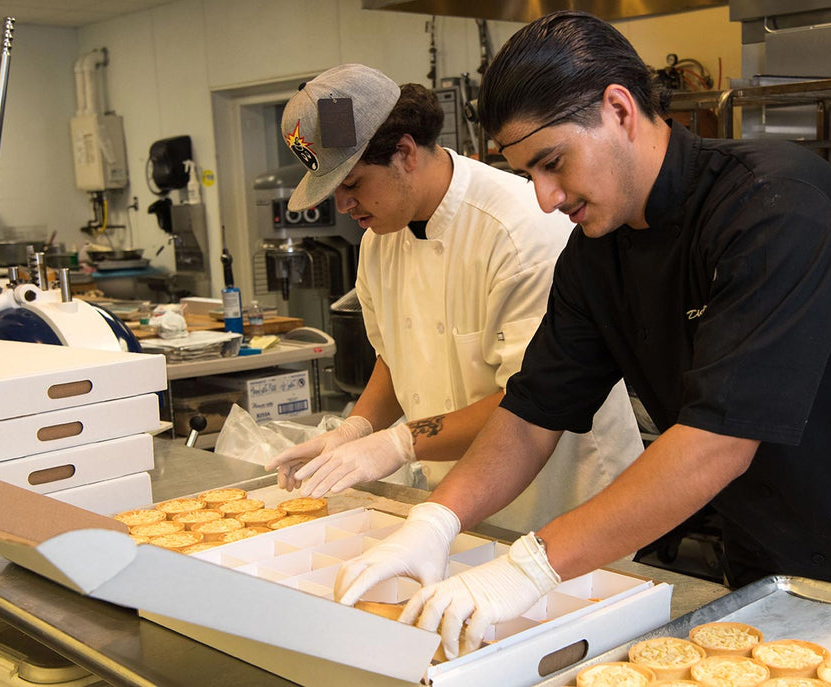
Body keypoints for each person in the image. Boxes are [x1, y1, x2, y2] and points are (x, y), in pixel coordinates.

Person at [331, 12, 831, 659]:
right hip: (770, 576)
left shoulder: (775, 207)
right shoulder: (595, 257)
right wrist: (437, 519)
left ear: (620, 110)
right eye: (526, 172)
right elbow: (531, 413)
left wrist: (528, 566)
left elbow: (714, 446)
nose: (543, 196)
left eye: (552, 162)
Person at [266, 63, 643, 535]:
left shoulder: (519, 230)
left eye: (352, 183)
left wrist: (398, 444)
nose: (343, 206)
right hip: (456, 497)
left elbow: (534, 398)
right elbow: (396, 358)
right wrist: (353, 431)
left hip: (561, 502)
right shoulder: (379, 239)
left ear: (404, 152)